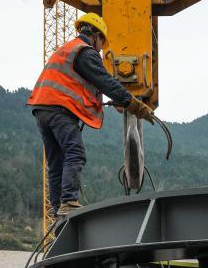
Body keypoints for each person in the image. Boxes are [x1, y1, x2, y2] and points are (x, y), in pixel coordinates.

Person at [28, 12, 156, 221]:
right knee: (75, 152)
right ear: (96, 35)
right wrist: (134, 105)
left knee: (56, 160)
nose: (101, 48)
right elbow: (105, 81)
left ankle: (58, 208)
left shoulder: (67, 49)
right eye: (102, 43)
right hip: (60, 108)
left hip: (42, 108)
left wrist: (108, 101)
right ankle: (69, 202)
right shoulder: (85, 52)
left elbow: (80, 84)